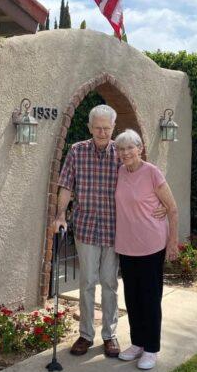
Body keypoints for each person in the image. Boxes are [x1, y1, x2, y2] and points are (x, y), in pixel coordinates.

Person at [54, 105, 165, 358]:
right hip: (86, 226)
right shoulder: (77, 151)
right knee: (87, 282)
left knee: (110, 283)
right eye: (97, 127)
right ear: (89, 127)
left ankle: (109, 335)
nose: (102, 132)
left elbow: (146, 180)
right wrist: (60, 215)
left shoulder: (123, 152)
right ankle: (85, 334)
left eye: (106, 128)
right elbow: (65, 186)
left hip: (117, 230)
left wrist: (160, 206)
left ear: (113, 128)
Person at [114, 129, 179, 370]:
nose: (125, 153)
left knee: (151, 298)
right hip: (126, 245)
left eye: (130, 148)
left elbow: (171, 208)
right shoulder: (120, 172)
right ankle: (137, 343)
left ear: (140, 148)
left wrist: (172, 242)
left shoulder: (152, 173)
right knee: (132, 298)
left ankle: (151, 348)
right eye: (121, 149)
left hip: (151, 245)